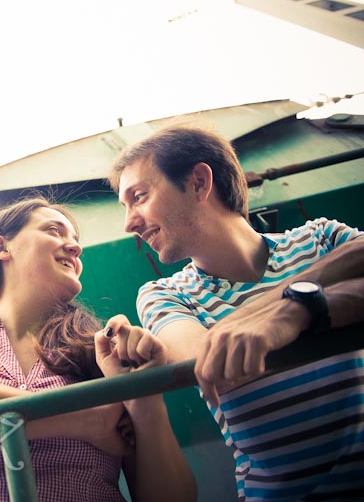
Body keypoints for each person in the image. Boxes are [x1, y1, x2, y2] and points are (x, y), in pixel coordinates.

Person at [107, 124, 364, 502]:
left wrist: (296, 311)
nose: (129, 222)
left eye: (139, 197)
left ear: (198, 182)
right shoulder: (163, 294)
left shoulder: (320, 238)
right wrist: (307, 299)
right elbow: (208, 361)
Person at [0, 196, 196, 502]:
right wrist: (84, 420)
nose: (75, 248)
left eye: (75, 240)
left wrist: (145, 399)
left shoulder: (105, 356)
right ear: (2, 247)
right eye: (54, 231)